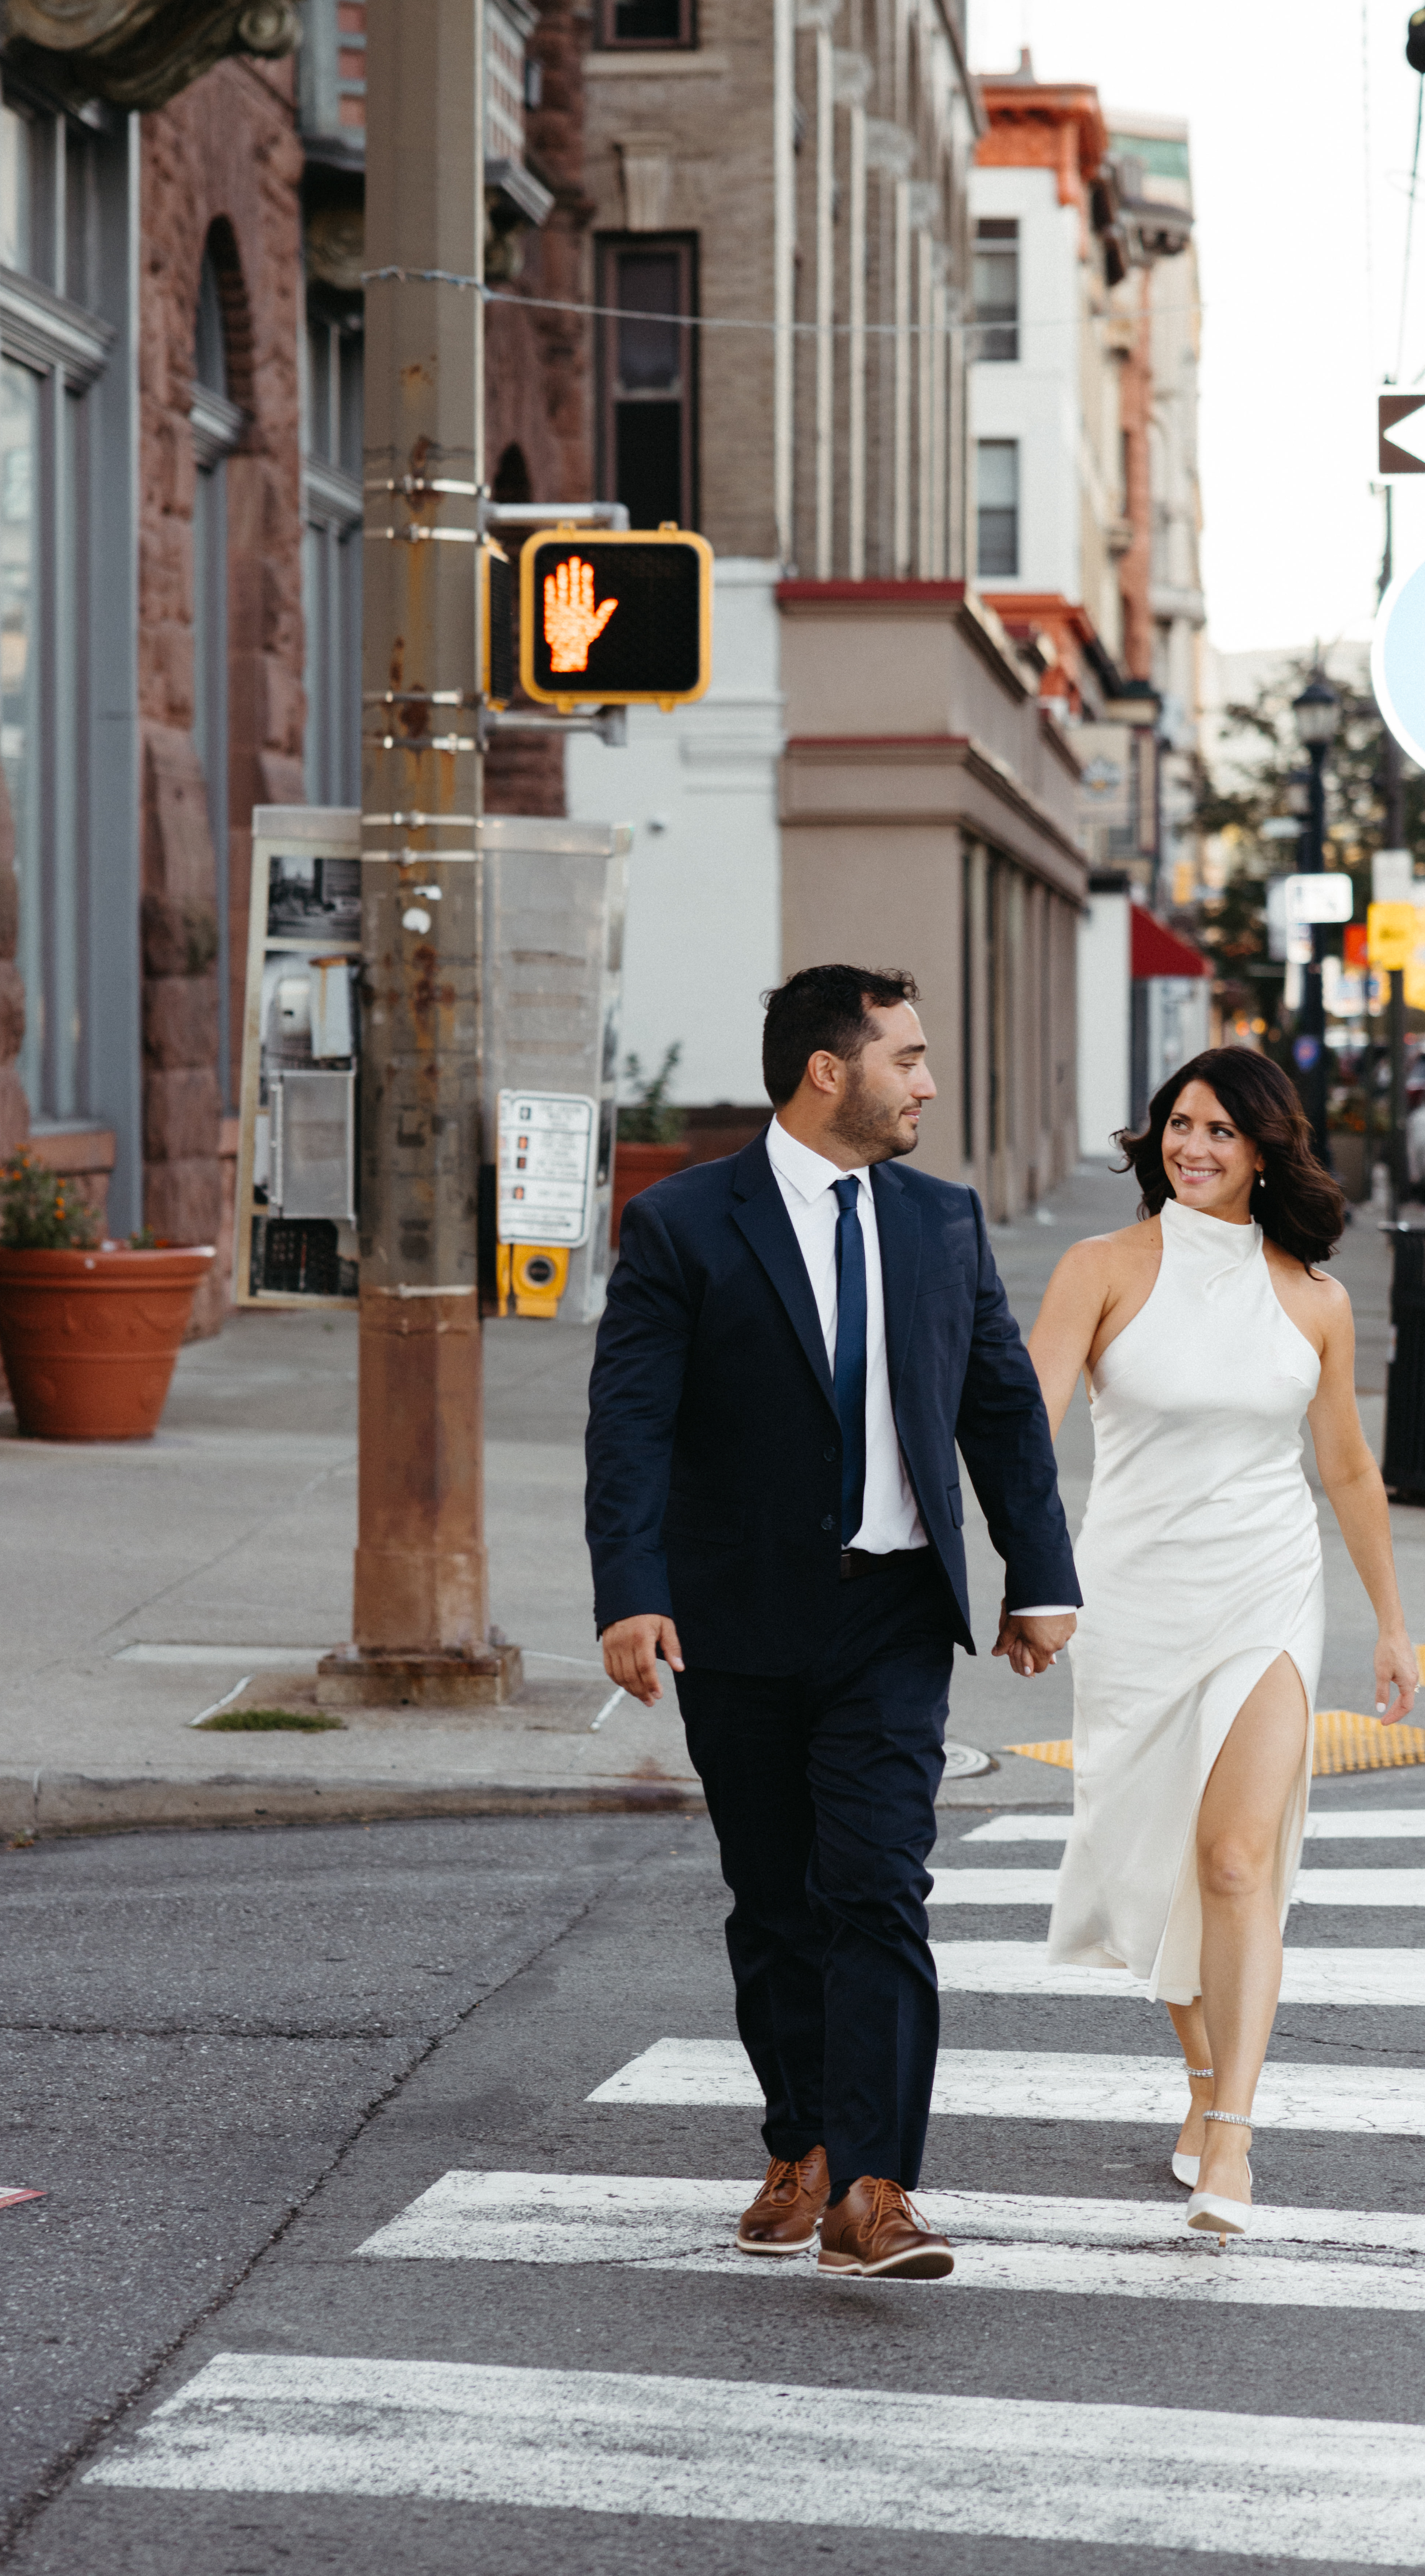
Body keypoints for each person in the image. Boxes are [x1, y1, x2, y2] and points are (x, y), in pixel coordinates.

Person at [587, 964, 1079, 2280]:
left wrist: (1041, 1573)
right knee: (774, 1899)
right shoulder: (686, 1224)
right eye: (906, 1058)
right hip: (737, 1623)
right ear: (828, 1070)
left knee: (876, 1891)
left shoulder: (942, 1221)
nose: (925, 1082)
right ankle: (799, 2140)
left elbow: (999, 1409)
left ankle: (873, 2189)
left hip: (893, 1616)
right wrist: (630, 1590)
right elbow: (629, 1423)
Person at [1024, 1046, 1418, 2238]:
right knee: (1151, 1866)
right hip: (1135, 1600)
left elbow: (1346, 1466)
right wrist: (1024, 1580)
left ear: (1263, 1154)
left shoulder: (1314, 1298)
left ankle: (1234, 2138)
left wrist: (1393, 1625)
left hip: (1265, 1592)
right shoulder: (1100, 1269)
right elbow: (1023, 1432)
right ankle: (1201, 2083)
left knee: (1240, 1860)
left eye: (1220, 1134)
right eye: (1179, 1126)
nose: (1193, 1148)